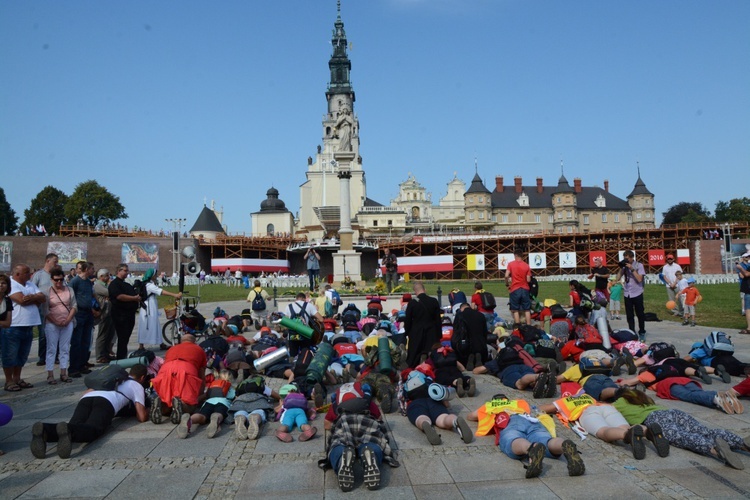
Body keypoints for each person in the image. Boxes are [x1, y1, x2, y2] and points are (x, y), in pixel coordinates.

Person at [30, 364, 148, 459]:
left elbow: (86, 392)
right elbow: (141, 417)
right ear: (142, 377)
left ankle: (45, 429)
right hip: (107, 402)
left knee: (74, 426)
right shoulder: (136, 385)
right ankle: (67, 430)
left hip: (87, 398)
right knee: (93, 430)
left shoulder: (114, 377)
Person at [612, 389, 750, 469]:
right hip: (673, 412)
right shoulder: (643, 397)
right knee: (705, 430)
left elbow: (606, 409)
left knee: (681, 436)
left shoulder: (619, 402)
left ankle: (715, 449)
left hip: (654, 418)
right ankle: (741, 443)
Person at [466, 393, 584, 478]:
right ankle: (563, 444)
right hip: (531, 420)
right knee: (546, 440)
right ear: (507, 399)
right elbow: (535, 409)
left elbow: (471, 416)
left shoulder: (490, 405)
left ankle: (531, 448)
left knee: (512, 439)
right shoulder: (519, 403)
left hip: (511, 421)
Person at [323, 382, 397, 492]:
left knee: (338, 443)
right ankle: (371, 454)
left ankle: (341, 458)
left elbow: (326, 423)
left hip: (345, 422)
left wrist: (335, 424)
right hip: (365, 422)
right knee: (373, 441)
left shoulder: (336, 405)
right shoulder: (368, 402)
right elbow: (379, 418)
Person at [4, 264, 45, 392]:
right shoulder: (10, 284)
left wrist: (32, 297)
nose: (30, 274)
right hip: (14, 325)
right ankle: (8, 380)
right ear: (17, 274)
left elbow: (43, 298)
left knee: (22, 355)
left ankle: (17, 378)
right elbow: (21, 300)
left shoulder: (30, 284)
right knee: (10, 354)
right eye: (27, 272)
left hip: (29, 325)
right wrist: (35, 298)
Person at [151, 334, 208, 424]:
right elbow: (202, 376)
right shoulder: (199, 349)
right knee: (191, 404)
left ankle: (161, 403)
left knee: (167, 399)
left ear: (181, 341)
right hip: (186, 369)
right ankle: (181, 405)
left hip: (166, 369)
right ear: (194, 342)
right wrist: (199, 396)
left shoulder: (172, 349)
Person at [177, 369, 235, 439]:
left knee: (202, 416)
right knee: (219, 413)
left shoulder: (213, 385)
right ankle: (216, 418)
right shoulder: (230, 388)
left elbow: (206, 395)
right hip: (223, 403)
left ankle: (190, 420)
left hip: (209, 402)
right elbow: (233, 397)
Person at [44, 267, 76, 384]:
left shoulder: (69, 290)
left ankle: (63, 372)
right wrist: (55, 321)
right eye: (56, 280)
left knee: (65, 348)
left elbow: (74, 306)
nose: (58, 282)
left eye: (61, 280)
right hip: (52, 323)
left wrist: (68, 319)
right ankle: (50, 374)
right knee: (51, 349)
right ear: (52, 279)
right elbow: (45, 310)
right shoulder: (47, 291)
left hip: (67, 322)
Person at [137, 268, 182, 350]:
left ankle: (158, 343)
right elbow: (161, 292)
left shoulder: (146, 284)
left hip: (149, 307)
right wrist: (174, 295)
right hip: (149, 308)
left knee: (153, 325)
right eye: (155, 274)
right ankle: (141, 345)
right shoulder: (149, 285)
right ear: (152, 275)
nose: (156, 276)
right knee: (147, 325)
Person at [404, 282, 441, 367]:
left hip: (417, 332)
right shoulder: (434, 301)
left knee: (413, 357)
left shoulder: (412, 303)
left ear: (415, 291)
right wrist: (439, 335)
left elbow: (408, 320)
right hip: (431, 331)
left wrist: (407, 333)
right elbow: (438, 320)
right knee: (432, 354)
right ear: (425, 290)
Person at [108, 264, 140, 360]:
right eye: (125, 271)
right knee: (122, 337)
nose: (127, 272)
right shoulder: (114, 284)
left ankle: (123, 356)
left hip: (130, 314)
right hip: (120, 315)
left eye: (127, 271)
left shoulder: (126, 284)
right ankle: (121, 358)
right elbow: (119, 296)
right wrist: (134, 298)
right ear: (119, 271)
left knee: (125, 338)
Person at [68, 261, 95, 377]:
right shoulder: (75, 281)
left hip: (88, 313)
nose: (93, 271)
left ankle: (82, 364)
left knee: (86, 341)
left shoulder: (88, 282)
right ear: (86, 269)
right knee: (76, 342)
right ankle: (73, 367)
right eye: (91, 269)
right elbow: (70, 297)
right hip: (79, 314)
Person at [31, 253, 58, 365]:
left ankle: (54, 356)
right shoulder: (39, 275)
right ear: (47, 261)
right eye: (55, 261)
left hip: (55, 309)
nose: (57, 264)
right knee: (43, 334)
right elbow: (32, 290)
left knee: (55, 334)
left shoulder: (56, 275)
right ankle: (42, 357)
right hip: (42, 309)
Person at [616, 250, 647, 341]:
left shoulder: (639, 265)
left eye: (627, 258)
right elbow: (618, 277)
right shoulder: (625, 267)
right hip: (627, 293)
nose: (626, 260)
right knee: (629, 315)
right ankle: (632, 332)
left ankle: (642, 332)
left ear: (631, 257)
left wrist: (631, 268)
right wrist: (621, 268)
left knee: (640, 314)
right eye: (624, 258)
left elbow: (639, 279)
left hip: (637, 293)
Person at [455, 302, 489, 371]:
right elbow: (485, 331)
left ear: (462, 308)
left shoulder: (460, 315)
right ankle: (477, 355)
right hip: (480, 343)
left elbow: (456, 329)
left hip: (466, 343)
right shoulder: (480, 315)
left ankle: (470, 357)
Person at [505, 248, 532, 325]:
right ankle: (529, 325)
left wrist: (507, 284)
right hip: (525, 288)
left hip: (515, 288)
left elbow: (506, 275)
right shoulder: (527, 266)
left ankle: (517, 326)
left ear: (515, 255)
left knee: (515, 309)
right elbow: (528, 280)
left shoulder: (511, 264)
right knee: (527, 309)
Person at [93, 268, 115, 363]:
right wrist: (111, 285)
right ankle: (99, 355)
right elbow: (110, 292)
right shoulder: (98, 285)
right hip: (103, 313)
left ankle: (106, 353)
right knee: (102, 335)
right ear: (101, 277)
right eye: (107, 275)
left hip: (109, 312)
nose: (109, 277)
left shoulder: (105, 285)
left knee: (109, 334)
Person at [736, 252, 750, 335]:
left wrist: (740, 268)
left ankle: (749, 328)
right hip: (747, 289)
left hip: (749, 290)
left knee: (748, 309)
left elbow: (745, 274)